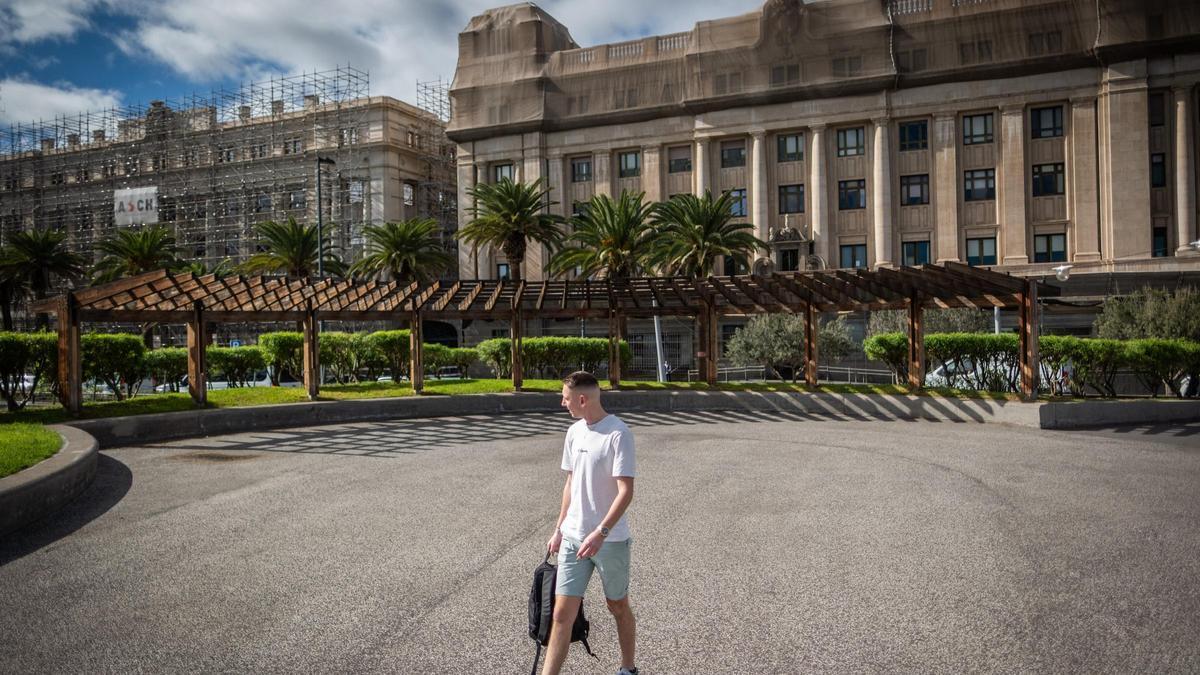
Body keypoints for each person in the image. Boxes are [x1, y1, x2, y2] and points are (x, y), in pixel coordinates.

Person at [544, 371, 638, 675]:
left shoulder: (618, 433)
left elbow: (626, 491)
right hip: (573, 538)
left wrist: (601, 532)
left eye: (567, 398)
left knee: (617, 606)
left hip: (609, 542)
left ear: (582, 399)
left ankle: (627, 668)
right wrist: (559, 529)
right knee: (561, 615)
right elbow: (570, 484)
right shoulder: (573, 432)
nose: (563, 403)